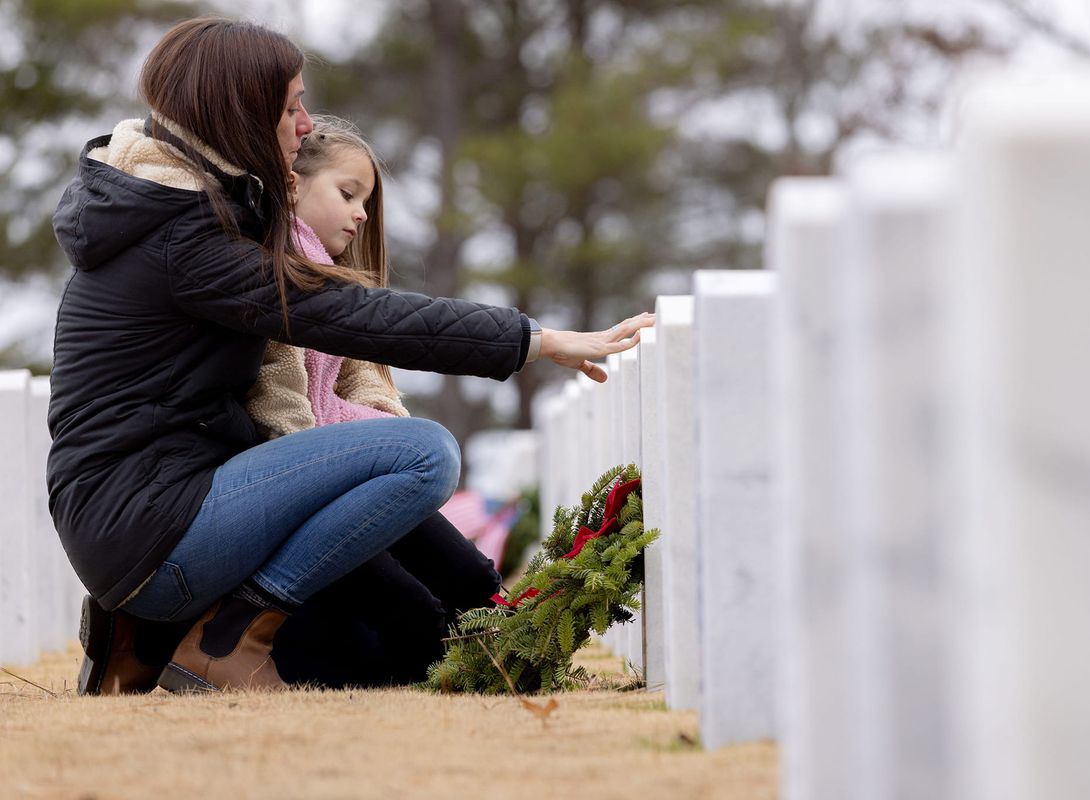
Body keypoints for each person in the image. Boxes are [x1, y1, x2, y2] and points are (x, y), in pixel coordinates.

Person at [50, 16, 652, 694]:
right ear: (241, 112)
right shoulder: (187, 242)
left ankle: (151, 634)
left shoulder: (186, 216)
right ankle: (227, 638)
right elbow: (353, 316)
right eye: (290, 106)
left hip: (147, 515)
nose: (306, 124)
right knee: (420, 453)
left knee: (389, 624)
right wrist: (538, 341)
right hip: (149, 527)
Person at [245, 115, 504, 689]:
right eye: (347, 193)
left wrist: (383, 425)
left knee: (470, 578)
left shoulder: (330, 279)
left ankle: (512, 648)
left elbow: (360, 373)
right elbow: (280, 400)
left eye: (365, 199)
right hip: (306, 481)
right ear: (292, 186)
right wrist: (352, 458)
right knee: (415, 621)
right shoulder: (269, 271)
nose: (361, 213)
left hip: (342, 463)